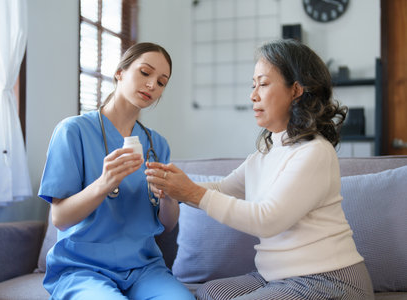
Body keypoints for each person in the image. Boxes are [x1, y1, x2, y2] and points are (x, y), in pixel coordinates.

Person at [145, 39, 375, 300]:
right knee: (209, 292)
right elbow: (223, 189)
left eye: (263, 84)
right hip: (276, 276)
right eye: (253, 85)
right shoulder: (265, 153)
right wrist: (174, 186)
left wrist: (191, 193)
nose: (253, 95)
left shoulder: (314, 152)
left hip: (328, 279)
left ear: (296, 90)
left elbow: (268, 220)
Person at [38, 42, 195, 300]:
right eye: (145, 73)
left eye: (161, 82)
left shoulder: (157, 145)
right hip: (83, 269)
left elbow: (168, 224)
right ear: (120, 72)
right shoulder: (72, 132)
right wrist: (105, 183)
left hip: (144, 269)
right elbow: (60, 218)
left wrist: (169, 196)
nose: (152, 85)